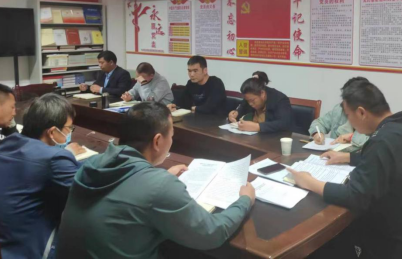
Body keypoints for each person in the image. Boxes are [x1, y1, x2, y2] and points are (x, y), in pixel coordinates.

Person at [56, 101, 255, 259]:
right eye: (172, 136)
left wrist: (160, 177)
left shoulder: (92, 165)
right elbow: (212, 233)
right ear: (158, 141)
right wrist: (244, 200)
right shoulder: (159, 186)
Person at [287, 77, 402, 259]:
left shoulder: (382, 141)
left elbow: (354, 196)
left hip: (397, 248)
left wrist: (308, 182)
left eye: (348, 116)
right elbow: (385, 161)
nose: (349, 122)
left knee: (324, 241)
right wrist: (347, 157)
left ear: (361, 113)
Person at [0, 94, 86, 259]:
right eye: (69, 128)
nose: (69, 132)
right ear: (52, 132)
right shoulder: (54, 158)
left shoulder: (8, 142)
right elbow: (85, 193)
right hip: (28, 248)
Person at [309, 78, 369, 152]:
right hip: (332, 155)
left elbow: (374, 142)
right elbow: (319, 122)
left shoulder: (372, 116)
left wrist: (351, 137)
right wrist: (317, 133)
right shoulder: (339, 109)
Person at [228, 76, 292, 133]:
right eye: (247, 101)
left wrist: (258, 127)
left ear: (262, 94)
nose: (250, 104)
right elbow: (241, 109)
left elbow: (284, 123)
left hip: (275, 138)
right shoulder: (250, 97)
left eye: (252, 100)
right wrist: (234, 115)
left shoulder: (280, 99)